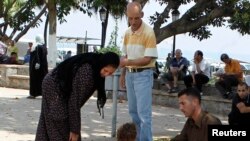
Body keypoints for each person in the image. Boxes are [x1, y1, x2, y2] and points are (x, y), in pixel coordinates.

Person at [35, 52, 120, 141]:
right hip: (53, 87)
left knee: (51, 123)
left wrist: (74, 129)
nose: (106, 75)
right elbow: (74, 101)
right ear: (102, 64)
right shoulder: (88, 72)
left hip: (53, 84)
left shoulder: (95, 67)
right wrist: (74, 130)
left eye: (110, 73)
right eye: (105, 70)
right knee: (60, 124)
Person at [119, 2, 158, 141]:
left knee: (144, 115)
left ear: (142, 15)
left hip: (144, 75)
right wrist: (123, 74)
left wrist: (127, 63)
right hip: (130, 75)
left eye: (136, 18)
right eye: (130, 18)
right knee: (133, 113)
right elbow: (125, 55)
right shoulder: (127, 33)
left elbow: (148, 59)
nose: (133, 21)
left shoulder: (148, 32)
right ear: (127, 17)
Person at [27, 35, 48, 99]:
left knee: (34, 79)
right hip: (43, 67)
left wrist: (38, 63)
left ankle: (33, 93)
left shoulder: (37, 46)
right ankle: (44, 93)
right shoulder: (44, 47)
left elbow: (37, 56)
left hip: (36, 67)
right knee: (42, 79)